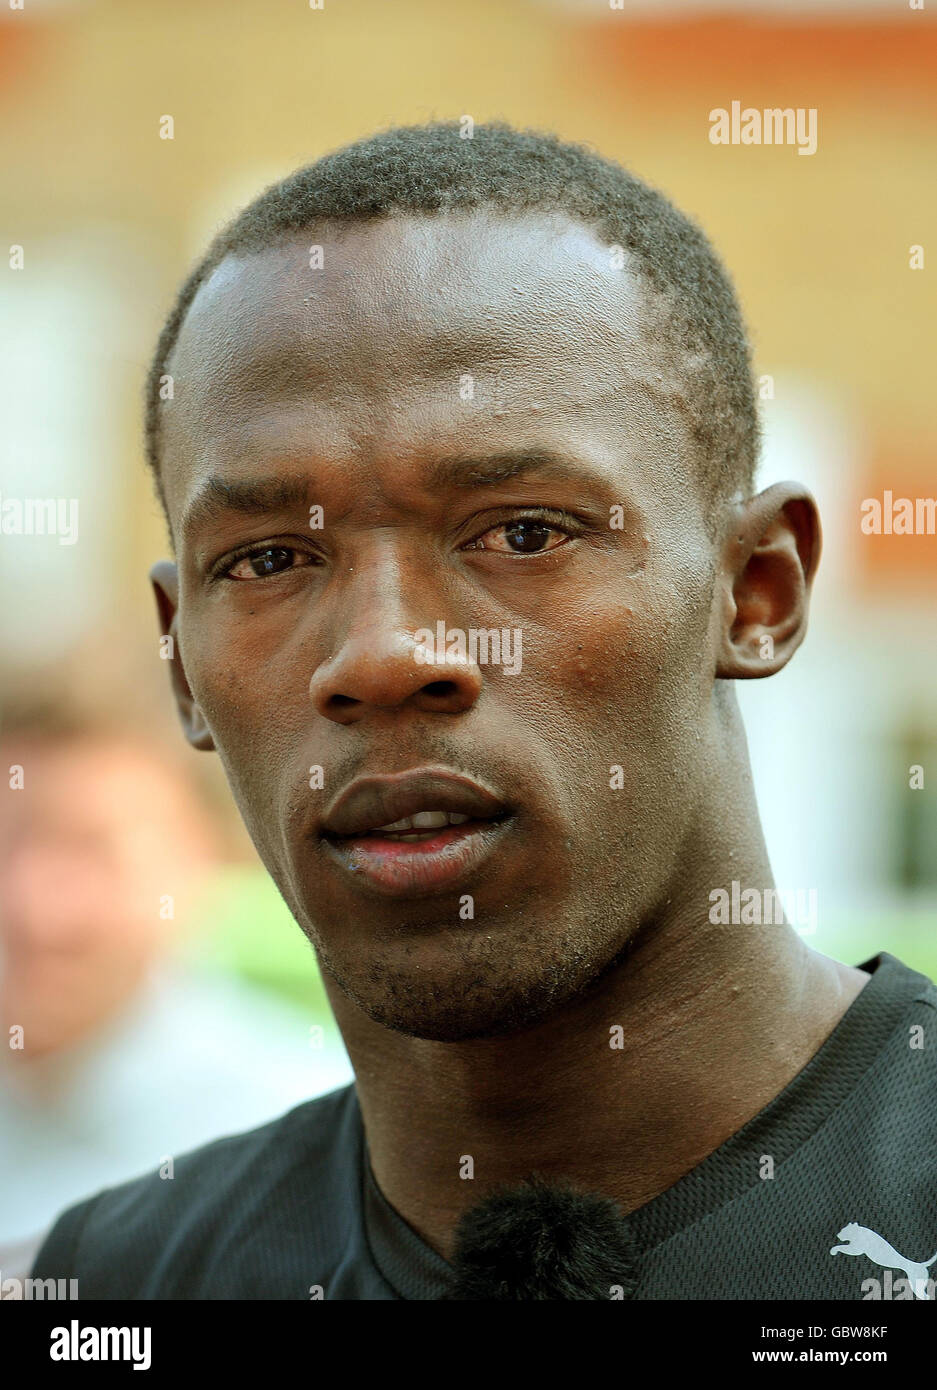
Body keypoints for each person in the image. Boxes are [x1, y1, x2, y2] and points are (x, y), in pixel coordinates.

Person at [32, 123, 937, 1300]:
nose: (383, 654)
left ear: (757, 589)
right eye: (265, 561)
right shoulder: (104, 1298)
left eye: (522, 532)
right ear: (180, 667)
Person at [0, 708, 351, 1278]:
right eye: (7, 842)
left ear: (197, 865)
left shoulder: (313, 1137)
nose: (32, 906)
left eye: (90, 852)